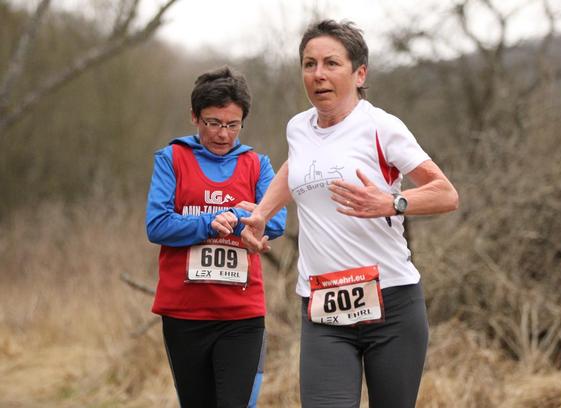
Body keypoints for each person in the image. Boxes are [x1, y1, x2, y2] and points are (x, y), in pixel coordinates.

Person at [241, 20, 459, 408]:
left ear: (360, 74)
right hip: (323, 308)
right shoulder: (298, 128)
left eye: (331, 63)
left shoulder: (381, 127)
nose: (318, 74)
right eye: (309, 64)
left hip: (391, 304)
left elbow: (446, 193)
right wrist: (262, 212)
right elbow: (295, 167)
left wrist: (392, 202)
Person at [146, 66, 286, 408]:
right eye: (213, 123)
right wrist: (211, 222)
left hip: (242, 314)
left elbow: (276, 221)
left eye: (233, 125)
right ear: (194, 117)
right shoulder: (172, 158)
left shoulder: (257, 164)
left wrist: (234, 217)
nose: (223, 134)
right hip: (184, 314)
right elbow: (158, 225)